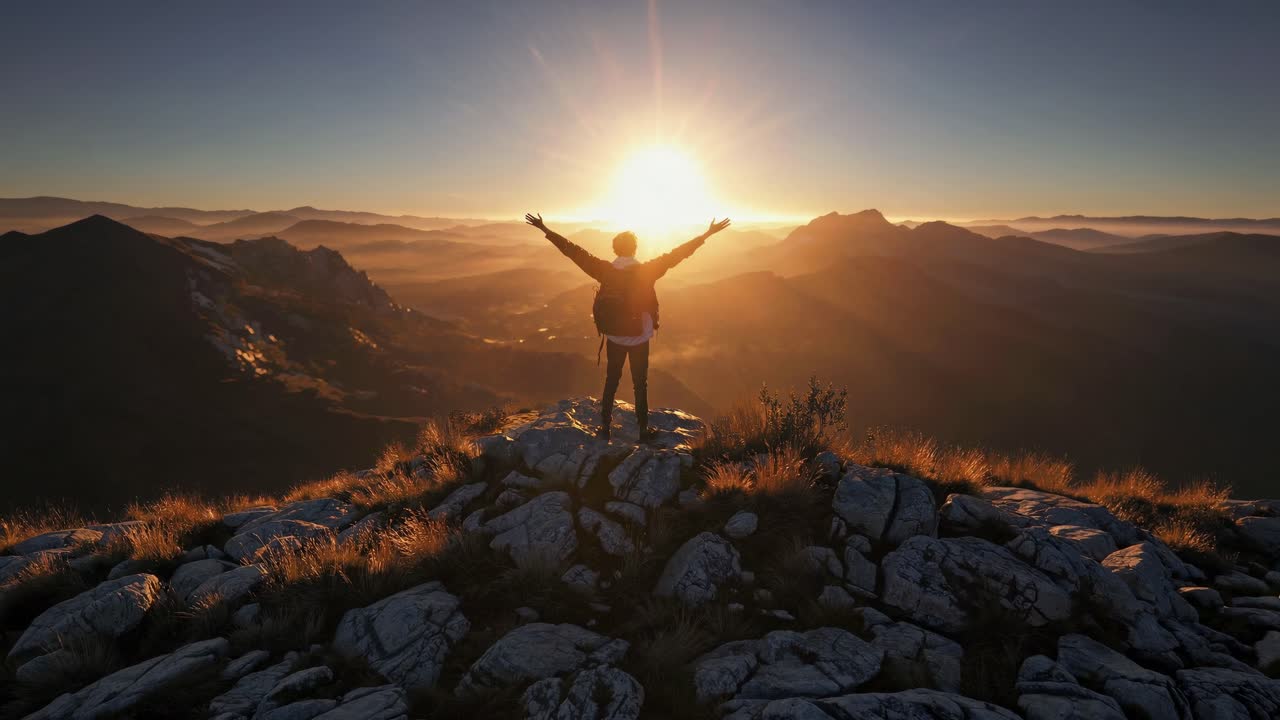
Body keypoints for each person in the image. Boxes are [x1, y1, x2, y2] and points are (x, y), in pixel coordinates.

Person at [524, 213, 731, 442]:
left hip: (614, 336)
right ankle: (643, 431)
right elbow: (679, 254)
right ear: (634, 249)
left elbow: (573, 251)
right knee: (639, 383)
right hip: (640, 336)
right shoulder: (648, 270)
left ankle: (605, 428)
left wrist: (545, 229)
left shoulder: (603, 270)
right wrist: (707, 234)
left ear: (615, 249)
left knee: (611, 381)